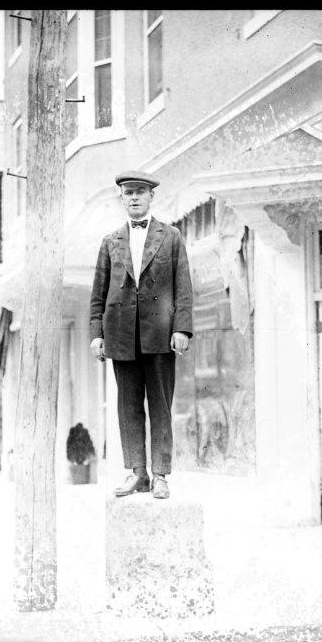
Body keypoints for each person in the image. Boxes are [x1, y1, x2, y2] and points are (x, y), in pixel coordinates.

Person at [89, 170, 194, 500]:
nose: (133, 198)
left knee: (161, 406)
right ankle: (137, 473)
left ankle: (160, 474)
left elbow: (183, 288)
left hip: (160, 334)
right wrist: (97, 334)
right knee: (127, 406)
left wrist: (181, 329)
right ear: (121, 199)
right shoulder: (110, 242)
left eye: (139, 192)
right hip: (121, 335)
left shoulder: (172, 236)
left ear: (152, 197)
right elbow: (98, 293)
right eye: (128, 193)